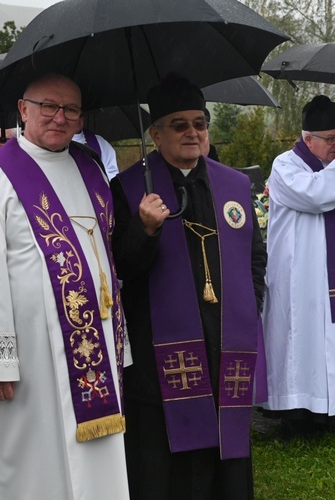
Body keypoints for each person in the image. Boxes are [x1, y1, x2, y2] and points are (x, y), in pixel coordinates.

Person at [0, 73, 130, 499]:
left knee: (97, 464)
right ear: (23, 109)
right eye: (48, 106)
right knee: (32, 462)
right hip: (29, 360)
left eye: (70, 110)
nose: (59, 117)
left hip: (94, 348)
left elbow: (104, 257)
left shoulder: (90, 169)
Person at [111, 76, 266, 499]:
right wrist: (144, 230)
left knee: (228, 463)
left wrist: (250, 309)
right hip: (161, 356)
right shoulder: (128, 190)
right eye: (178, 124)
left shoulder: (233, 185)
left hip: (225, 344)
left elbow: (255, 256)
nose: (192, 132)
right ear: (155, 133)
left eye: (200, 122)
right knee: (169, 468)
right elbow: (121, 268)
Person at [263, 95, 335, 434]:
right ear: (308, 139)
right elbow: (317, 195)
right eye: (332, 139)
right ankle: (297, 412)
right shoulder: (285, 166)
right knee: (299, 340)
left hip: (326, 275)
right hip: (298, 277)